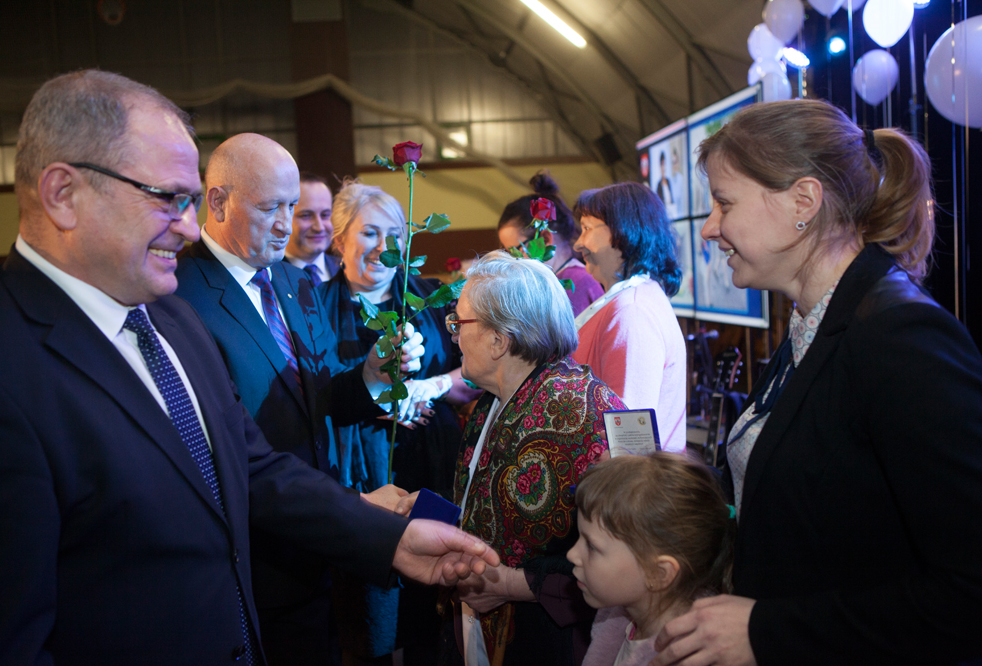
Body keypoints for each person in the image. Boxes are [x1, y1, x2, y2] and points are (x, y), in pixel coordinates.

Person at [0, 69, 499, 666]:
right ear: (62, 194)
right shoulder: (2, 368)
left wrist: (388, 539)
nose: (187, 225)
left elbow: (250, 466)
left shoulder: (162, 317)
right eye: (166, 198)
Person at [650, 100, 982, 665]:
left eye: (725, 203)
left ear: (803, 202)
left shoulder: (901, 336)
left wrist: (768, 630)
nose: (710, 228)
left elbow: (968, 592)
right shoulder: (815, 323)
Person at [174, 135, 417, 665]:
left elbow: (325, 401)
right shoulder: (181, 296)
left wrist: (372, 375)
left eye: (292, 206)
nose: (287, 224)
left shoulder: (293, 280)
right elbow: (222, 453)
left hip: (320, 549)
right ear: (218, 202)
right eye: (271, 208)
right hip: (256, 560)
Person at [399, 250, 627, 666]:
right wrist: (428, 510)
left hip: (547, 644)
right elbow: (489, 509)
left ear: (498, 340)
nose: (453, 336)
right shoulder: (492, 400)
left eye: (459, 323)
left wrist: (512, 584)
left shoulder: (588, 412)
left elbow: (631, 552)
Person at [317, 180, 477, 663]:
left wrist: (432, 386)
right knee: (369, 617)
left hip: (431, 463)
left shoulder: (430, 298)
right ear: (339, 239)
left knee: (434, 606)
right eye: (369, 233)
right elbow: (315, 394)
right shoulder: (315, 307)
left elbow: (472, 375)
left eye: (395, 235)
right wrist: (376, 398)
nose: (384, 247)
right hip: (360, 469)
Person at [567, 454, 734, 666]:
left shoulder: (686, 658)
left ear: (658, 573)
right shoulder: (619, 618)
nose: (571, 555)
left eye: (591, 546)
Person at [571, 183, 687, 452]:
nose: (578, 243)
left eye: (587, 228)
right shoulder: (631, 300)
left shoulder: (631, 310)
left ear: (624, 231)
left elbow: (629, 434)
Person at [496, 171, 603, 317]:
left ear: (545, 239)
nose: (514, 262)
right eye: (509, 254)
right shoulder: (552, 281)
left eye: (517, 250)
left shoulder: (577, 283)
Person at [284, 172, 340, 285]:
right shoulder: (267, 276)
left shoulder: (346, 271)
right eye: (306, 216)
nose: (319, 227)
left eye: (325, 215)